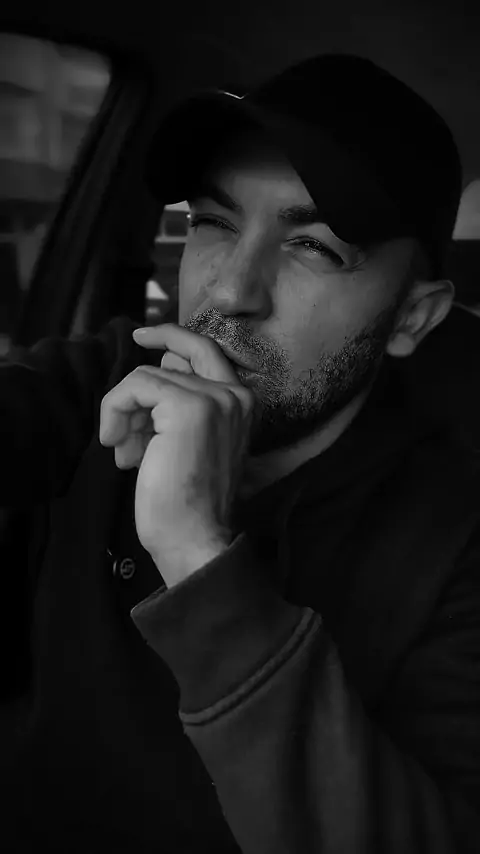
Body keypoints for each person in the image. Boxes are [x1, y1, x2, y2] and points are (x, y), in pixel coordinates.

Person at [1, 53, 479, 853]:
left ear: (412, 318)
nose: (228, 292)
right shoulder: (111, 375)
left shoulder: (456, 538)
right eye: (214, 223)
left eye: (315, 247)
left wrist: (196, 553)